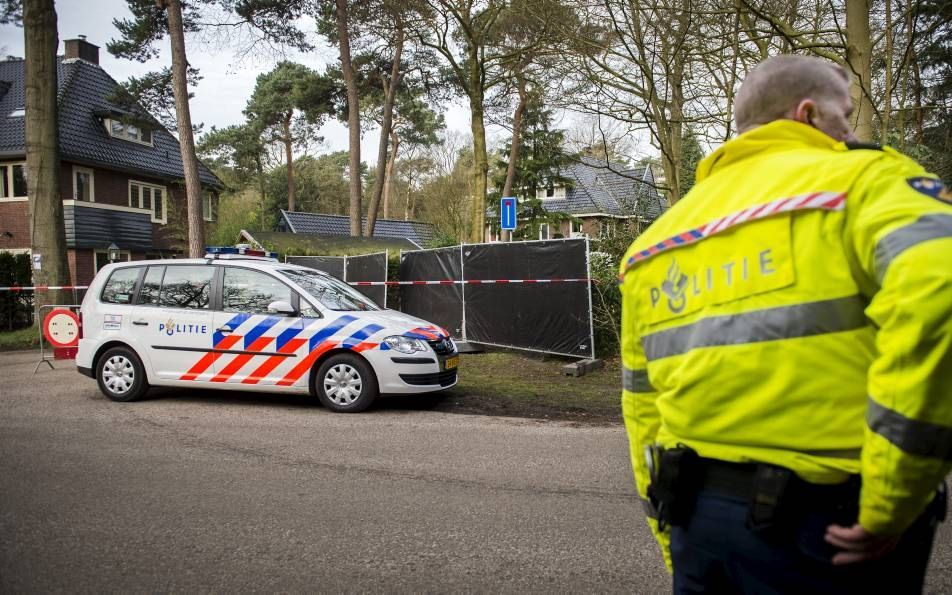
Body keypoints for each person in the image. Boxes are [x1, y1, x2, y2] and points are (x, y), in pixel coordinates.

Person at [618, 54, 951, 594]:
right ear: (810, 114)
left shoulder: (654, 244)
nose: (848, 131)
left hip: (697, 526)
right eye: (845, 114)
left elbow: (641, 412)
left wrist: (669, 535)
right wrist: (893, 499)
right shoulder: (862, 182)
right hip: (832, 528)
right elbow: (941, 293)